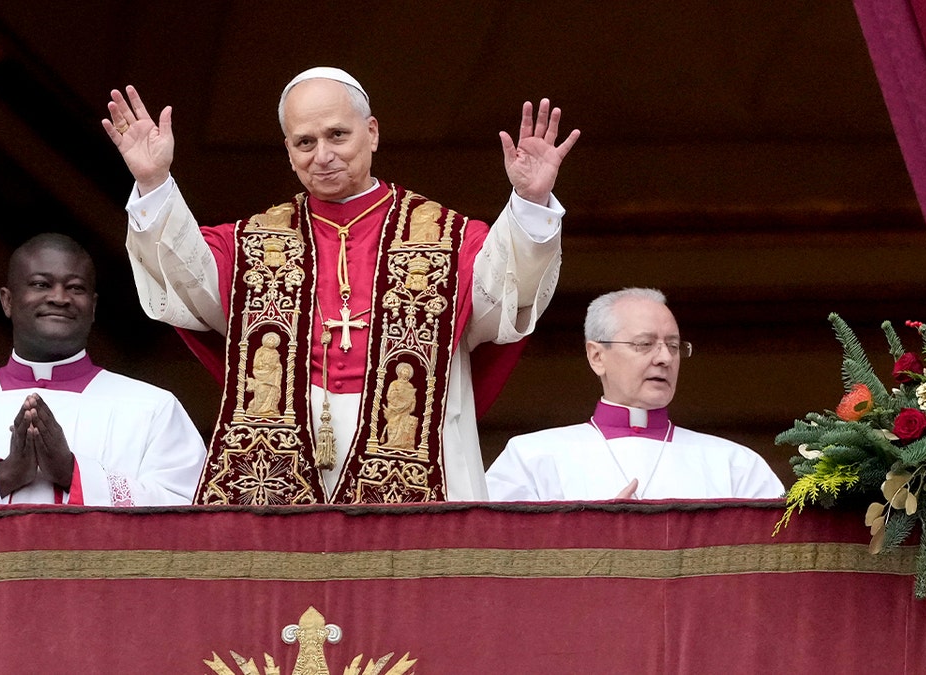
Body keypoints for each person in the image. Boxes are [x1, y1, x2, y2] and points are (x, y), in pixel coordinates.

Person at [105, 66, 579, 504]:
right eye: (305, 142)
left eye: (337, 135)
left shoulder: (446, 238)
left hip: (415, 443)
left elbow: (505, 292)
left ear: (371, 133)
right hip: (281, 445)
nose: (323, 156)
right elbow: (189, 281)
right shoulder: (253, 241)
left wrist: (531, 201)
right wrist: (155, 183)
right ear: (288, 152)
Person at [0, 234, 206, 506]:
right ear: (7, 301)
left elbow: (186, 512)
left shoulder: (154, 408)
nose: (60, 298)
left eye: (75, 288)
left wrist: (72, 472)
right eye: (41, 284)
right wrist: (4, 476)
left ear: (93, 307)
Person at [486, 288, 784, 501]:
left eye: (674, 345)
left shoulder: (736, 465)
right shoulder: (530, 459)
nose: (664, 358)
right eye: (644, 344)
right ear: (597, 356)